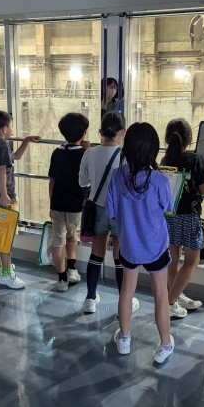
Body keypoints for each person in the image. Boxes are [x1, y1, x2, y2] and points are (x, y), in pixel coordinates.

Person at [106, 122, 174, 363]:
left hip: (129, 246)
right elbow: (168, 208)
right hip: (156, 247)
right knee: (160, 295)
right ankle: (165, 344)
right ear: (153, 150)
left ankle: (124, 338)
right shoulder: (160, 180)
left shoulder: (116, 176)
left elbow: (111, 212)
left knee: (127, 290)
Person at [161, 118, 204, 318]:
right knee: (192, 260)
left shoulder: (165, 160)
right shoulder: (195, 159)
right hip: (189, 216)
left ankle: (175, 297)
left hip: (170, 215)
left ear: (167, 138)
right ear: (190, 139)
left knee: (172, 259)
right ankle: (170, 302)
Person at [79, 111, 139, 314]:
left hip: (98, 208)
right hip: (120, 211)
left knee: (96, 253)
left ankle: (90, 299)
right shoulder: (126, 156)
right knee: (120, 255)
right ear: (123, 132)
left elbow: (82, 182)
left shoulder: (90, 152)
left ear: (100, 132)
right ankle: (125, 300)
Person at [0, 110, 40, 288]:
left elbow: (15, 157)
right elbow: (1, 170)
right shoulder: (2, 145)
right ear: (5, 128)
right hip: (2, 195)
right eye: (12, 125)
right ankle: (7, 275)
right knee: (5, 235)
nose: (13, 129)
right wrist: (4, 194)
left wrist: (26, 141)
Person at [48, 112, 90, 291]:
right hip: (76, 204)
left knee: (57, 240)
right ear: (83, 134)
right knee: (72, 236)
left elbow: (52, 181)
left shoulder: (57, 153)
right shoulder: (84, 154)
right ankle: (72, 269)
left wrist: (51, 203)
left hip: (57, 202)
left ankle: (61, 279)